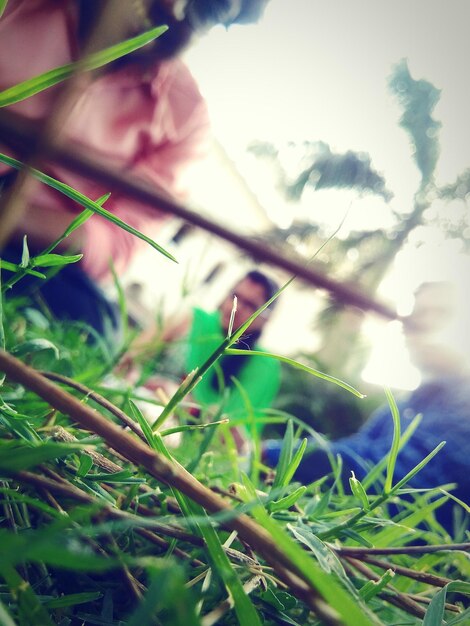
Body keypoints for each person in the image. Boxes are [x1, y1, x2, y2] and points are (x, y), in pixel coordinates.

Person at [0, 0, 269, 336]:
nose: (182, 11)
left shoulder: (185, 117)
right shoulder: (20, 7)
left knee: (98, 328)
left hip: (36, 250)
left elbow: (118, 244)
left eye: (210, 8)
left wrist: (13, 216)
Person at [263, 281, 470, 534]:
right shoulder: (402, 404)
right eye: (414, 316)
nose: (420, 326)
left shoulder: (463, 402)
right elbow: (359, 448)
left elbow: (402, 481)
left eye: (439, 314)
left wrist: (273, 455)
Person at [126, 269, 281, 432]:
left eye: (250, 305)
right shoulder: (191, 319)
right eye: (235, 297)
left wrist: (178, 400)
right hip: (136, 404)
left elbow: (235, 433)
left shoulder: (263, 365)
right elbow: (133, 355)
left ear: (266, 318)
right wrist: (134, 374)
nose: (236, 308)